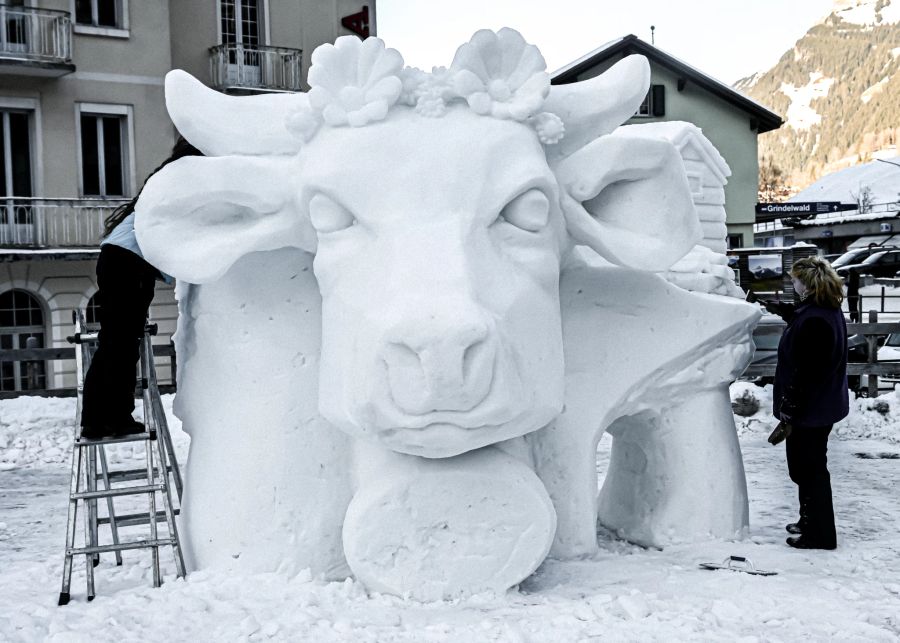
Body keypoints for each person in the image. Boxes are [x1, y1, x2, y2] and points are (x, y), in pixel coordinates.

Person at [80, 138, 202, 439]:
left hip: (121, 259)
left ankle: (104, 419)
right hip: (129, 261)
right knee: (119, 342)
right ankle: (107, 419)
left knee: (118, 341)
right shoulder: (183, 176)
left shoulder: (167, 175)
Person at [768, 256, 848, 550]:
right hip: (820, 406)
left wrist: (790, 408)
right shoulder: (822, 310)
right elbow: (806, 326)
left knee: (808, 470)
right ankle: (809, 520)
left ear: (808, 283)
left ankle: (821, 534)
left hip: (810, 410)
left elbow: (808, 372)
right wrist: (783, 311)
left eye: (795, 279)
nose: (793, 283)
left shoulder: (815, 319)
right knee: (807, 467)